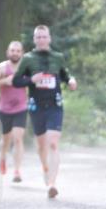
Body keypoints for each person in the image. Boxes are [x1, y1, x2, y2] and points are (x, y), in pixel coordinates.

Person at [11, 25, 77, 199]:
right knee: (42, 146)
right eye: (38, 37)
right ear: (34, 40)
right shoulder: (27, 59)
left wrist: (71, 81)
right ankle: (45, 169)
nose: (41, 40)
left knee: (53, 142)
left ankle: (52, 184)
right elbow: (16, 81)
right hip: (36, 106)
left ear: (49, 38)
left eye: (44, 36)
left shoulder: (58, 57)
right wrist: (31, 79)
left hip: (55, 105)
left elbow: (65, 75)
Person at [0, 41, 28, 182]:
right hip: (4, 109)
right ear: (8, 52)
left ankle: (17, 171)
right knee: (6, 140)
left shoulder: (26, 68)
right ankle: (2, 157)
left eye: (17, 51)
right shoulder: (2, 67)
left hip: (21, 107)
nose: (15, 53)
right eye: (12, 50)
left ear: (22, 53)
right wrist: (5, 81)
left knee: (18, 137)